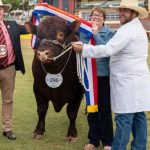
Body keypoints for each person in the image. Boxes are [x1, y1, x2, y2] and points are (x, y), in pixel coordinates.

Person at [72, 0, 150, 149]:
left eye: (125, 10)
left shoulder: (128, 30)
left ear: (134, 13)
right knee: (138, 117)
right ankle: (139, 147)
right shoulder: (133, 27)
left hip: (127, 82)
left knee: (124, 119)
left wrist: (84, 49)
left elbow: (108, 49)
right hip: (133, 80)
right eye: (120, 9)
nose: (121, 13)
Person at [80, 7, 114, 150]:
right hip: (88, 77)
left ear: (104, 18)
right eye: (94, 15)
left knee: (105, 109)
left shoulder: (110, 33)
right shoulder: (84, 32)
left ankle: (107, 141)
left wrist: (96, 34)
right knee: (92, 108)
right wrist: (90, 33)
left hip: (103, 76)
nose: (96, 17)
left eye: (100, 15)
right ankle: (93, 140)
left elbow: (107, 51)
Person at [0, 0, 33, 140]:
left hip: (8, 68)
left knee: (8, 100)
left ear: (3, 11)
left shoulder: (12, 24)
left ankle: (7, 129)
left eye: (0, 9)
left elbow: (28, 28)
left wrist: (36, 15)